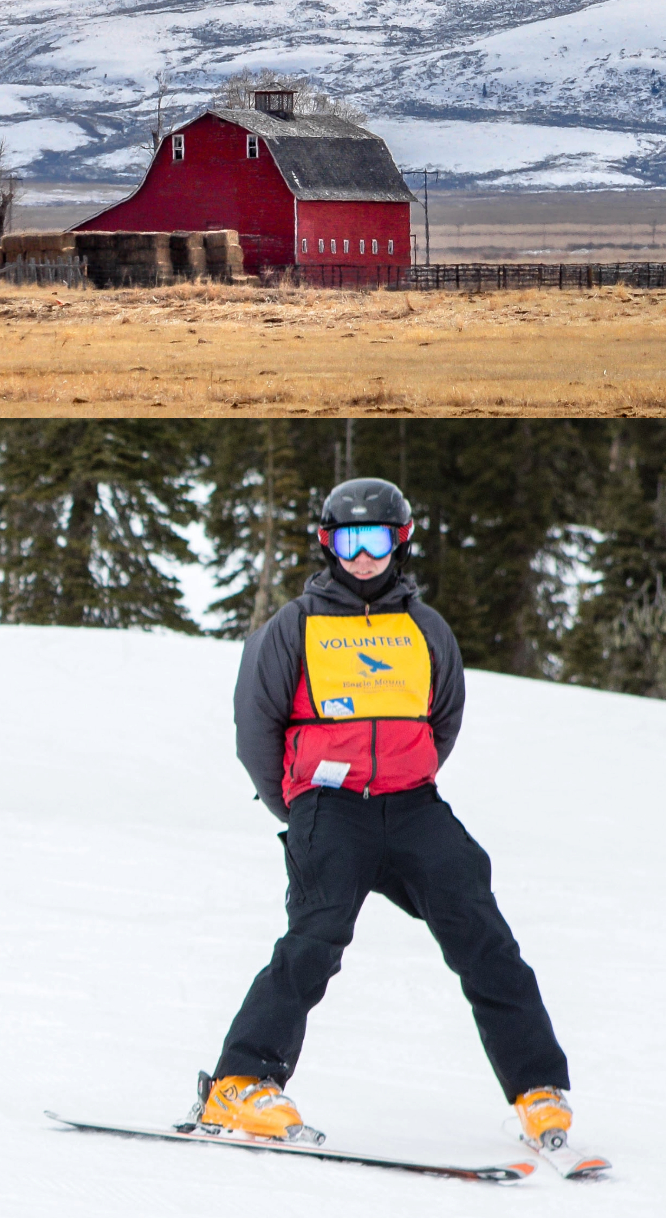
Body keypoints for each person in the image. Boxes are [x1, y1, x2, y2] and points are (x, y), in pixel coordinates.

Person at [201, 476, 585, 1159]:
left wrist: (406, 776)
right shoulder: (294, 627)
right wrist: (300, 804)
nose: (363, 555)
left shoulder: (426, 630)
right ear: (328, 543)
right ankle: (240, 1081)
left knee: (482, 932)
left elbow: (444, 719)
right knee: (316, 938)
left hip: (411, 806)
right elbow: (254, 731)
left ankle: (538, 1090)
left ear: (400, 540)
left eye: (376, 539)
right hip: (329, 805)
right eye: (348, 540)